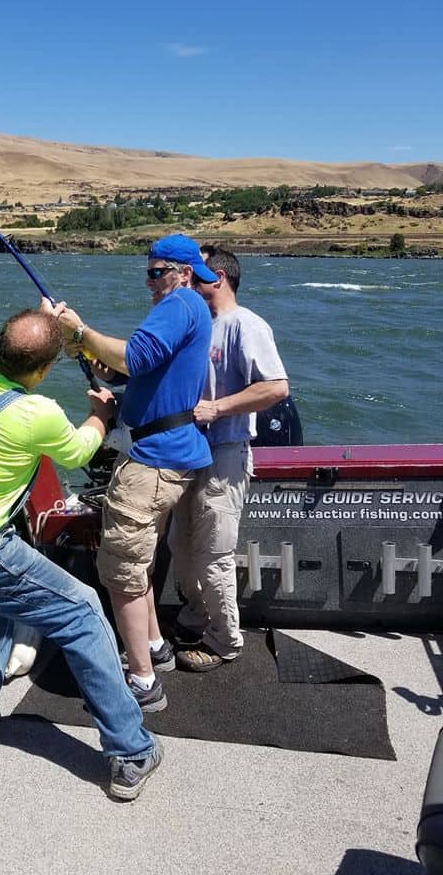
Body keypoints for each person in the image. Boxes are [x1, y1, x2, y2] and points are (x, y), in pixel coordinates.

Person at [0, 308, 161, 801]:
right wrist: (101, 414)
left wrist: (42, 328)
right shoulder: (36, 413)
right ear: (43, 373)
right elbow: (80, 452)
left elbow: (12, 361)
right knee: (81, 610)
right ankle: (130, 750)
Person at [56, 234, 218, 712]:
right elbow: (129, 373)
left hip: (152, 462)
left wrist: (81, 331)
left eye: (156, 272)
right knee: (140, 562)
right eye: (146, 272)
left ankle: (143, 684)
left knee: (121, 572)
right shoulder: (188, 308)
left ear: (183, 273)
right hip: (171, 453)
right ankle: (154, 647)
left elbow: (131, 357)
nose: (149, 283)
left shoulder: (180, 303)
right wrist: (83, 349)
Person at [168, 245, 289, 672]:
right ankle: (198, 614)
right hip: (189, 456)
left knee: (214, 554)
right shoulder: (198, 325)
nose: (185, 278)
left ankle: (224, 640)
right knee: (181, 547)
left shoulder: (246, 325)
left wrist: (218, 408)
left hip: (225, 454)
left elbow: (276, 387)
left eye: (194, 273)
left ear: (217, 277)